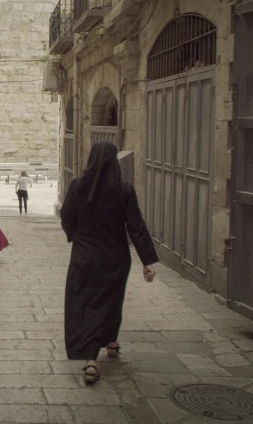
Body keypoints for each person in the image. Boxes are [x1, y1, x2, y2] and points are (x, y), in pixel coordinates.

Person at [60, 141, 158, 384]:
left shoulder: (77, 186)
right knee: (111, 301)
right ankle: (110, 342)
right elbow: (135, 226)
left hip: (84, 257)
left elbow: (66, 216)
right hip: (116, 258)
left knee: (85, 304)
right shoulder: (124, 189)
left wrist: (76, 237)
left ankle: (91, 360)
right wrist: (147, 261)